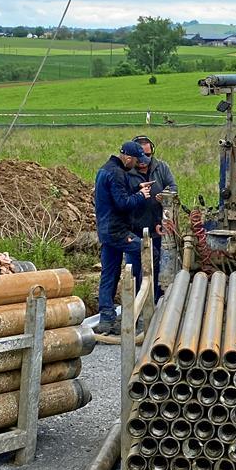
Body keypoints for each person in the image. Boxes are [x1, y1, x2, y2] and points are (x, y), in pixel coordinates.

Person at [93, 141, 153, 334]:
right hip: (117, 231)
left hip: (106, 230)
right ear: (127, 157)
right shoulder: (117, 173)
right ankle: (134, 311)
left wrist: (137, 187)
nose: (137, 164)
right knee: (147, 254)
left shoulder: (106, 169)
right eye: (135, 160)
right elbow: (122, 203)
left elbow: (118, 192)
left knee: (109, 272)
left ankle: (106, 317)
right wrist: (141, 195)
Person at [127, 135, 178, 299]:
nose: (143, 160)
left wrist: (166, 195)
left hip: (157, 229)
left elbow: (173, 187)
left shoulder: (161, 168)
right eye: (140, 156)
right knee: (134, 269)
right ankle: (136, 303)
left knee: (156, 268)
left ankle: (156, 301)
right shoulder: (126, 172)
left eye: (147, 156)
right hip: (135, 230)